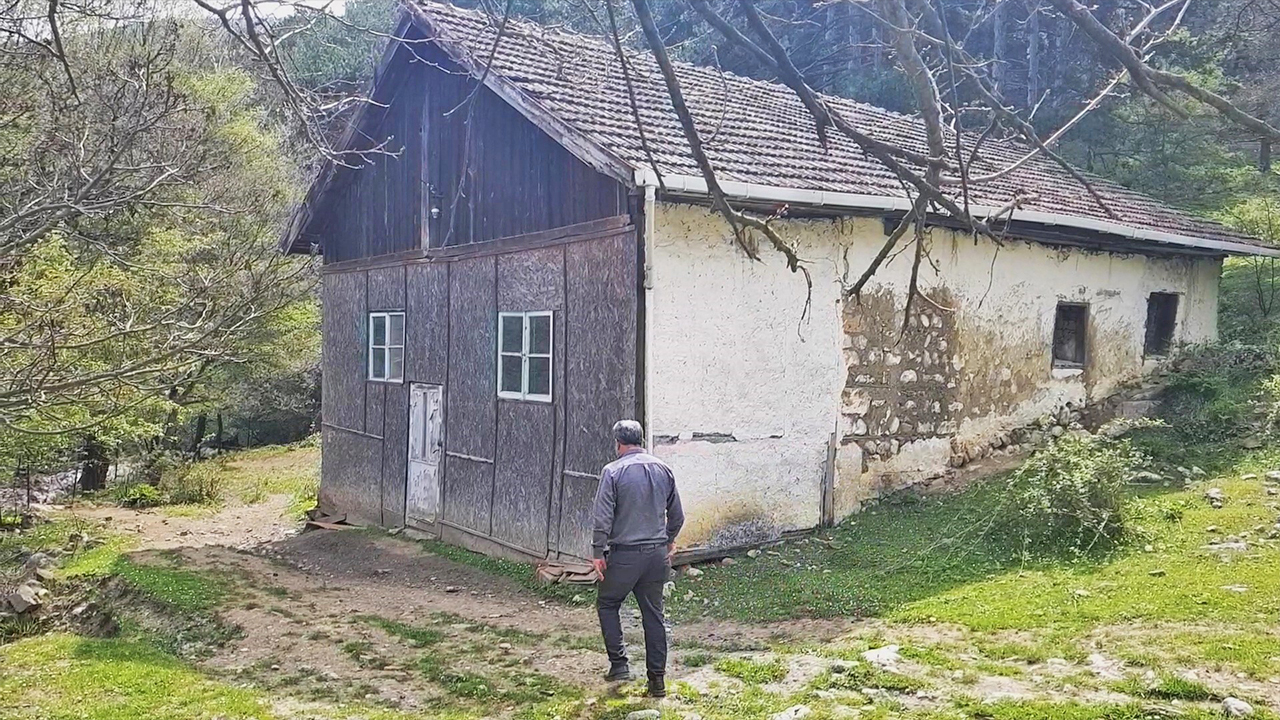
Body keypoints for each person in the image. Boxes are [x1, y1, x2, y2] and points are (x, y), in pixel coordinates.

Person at [590, 419, 684, 698]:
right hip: (656, 556)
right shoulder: (663, 469)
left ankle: (619, 665)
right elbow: (677, 516)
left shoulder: (612, 472)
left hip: (625, 555)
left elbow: (602, 517)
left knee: (608, 603)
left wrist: (597, 552)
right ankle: (657, 681)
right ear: (641, 440)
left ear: (618, 443)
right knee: (654, 615)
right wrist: (667, 541)